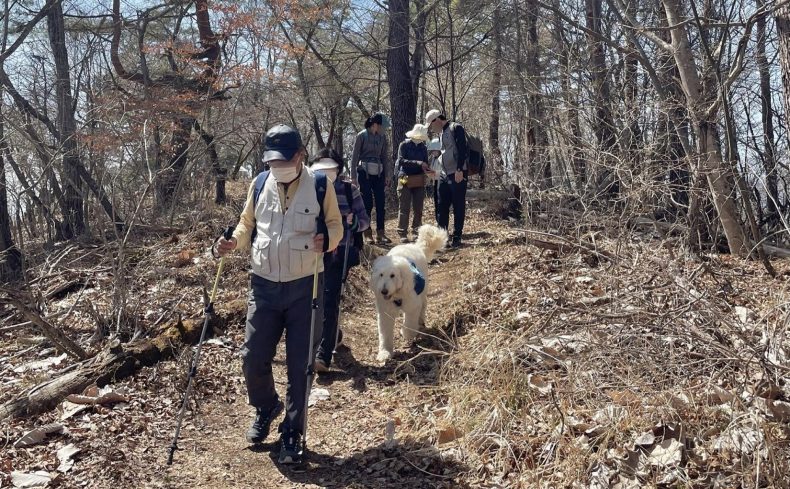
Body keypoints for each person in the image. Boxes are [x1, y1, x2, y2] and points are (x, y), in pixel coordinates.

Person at [215, 124, 343, 465]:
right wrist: (233, 242)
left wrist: (326, 241)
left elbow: (335, 225)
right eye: (272, 161)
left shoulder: (319, 184)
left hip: (306, 285)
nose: (278, 167)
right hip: (264, 284)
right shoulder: (260, 184)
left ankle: (292, 430)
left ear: (300, 156)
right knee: (252, 357)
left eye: (284, 160)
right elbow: (246, 224)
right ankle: (266, 405)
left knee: (301, 365)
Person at [307, 148, 370, 372]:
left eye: (330, 168)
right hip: (311, 253)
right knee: (315, 298)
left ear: (338, 169)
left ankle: (322, 355)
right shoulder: (309, 189)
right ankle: (333, 334)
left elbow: (365, 221)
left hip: (340, 253)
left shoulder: (348, 189)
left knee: (330, 298)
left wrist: (353, 223)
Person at [425, 110, 468, 248]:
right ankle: (442, 239)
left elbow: (463, 149)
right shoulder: (441, 132)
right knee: (442, 205)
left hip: (457, 173)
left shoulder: (456, 128)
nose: (431, 128)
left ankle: (457, 237)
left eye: (431, 125)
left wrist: (460, 169)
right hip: (443, 174)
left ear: (436, 120)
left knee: (458, 205)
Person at [350, 113, 392, 244]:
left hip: (379, 173)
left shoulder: (383, 137)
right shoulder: (361, 136)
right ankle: (367, 233)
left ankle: (381, 233)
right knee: (367, 203)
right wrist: (353, 177)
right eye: (382, 126)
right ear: (375, 125)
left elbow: (385, 157)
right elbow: (354, 157)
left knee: (380, 203)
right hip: (364, 173)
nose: (384, 129)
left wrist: (388, 175)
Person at [395, 124, 432, 243]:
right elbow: (401, 161)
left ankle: (416, 232)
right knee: (404, 207)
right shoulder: (404, 145)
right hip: (404, 178)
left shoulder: (423, 147)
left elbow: (425, 162)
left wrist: (428, 170)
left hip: (419, 179)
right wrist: (418, 163)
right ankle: (402, 232)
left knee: (418, 208)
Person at [426, 138, 442, 223]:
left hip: (442, 184)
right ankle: (438, 221)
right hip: (435, 183)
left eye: (434, 150)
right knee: (436, 203)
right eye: (431, 151)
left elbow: (444, 172)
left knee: (440, 204)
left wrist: (435, 172)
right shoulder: (433, 159)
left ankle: (441, 222)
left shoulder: (442, 158)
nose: (432, 152)